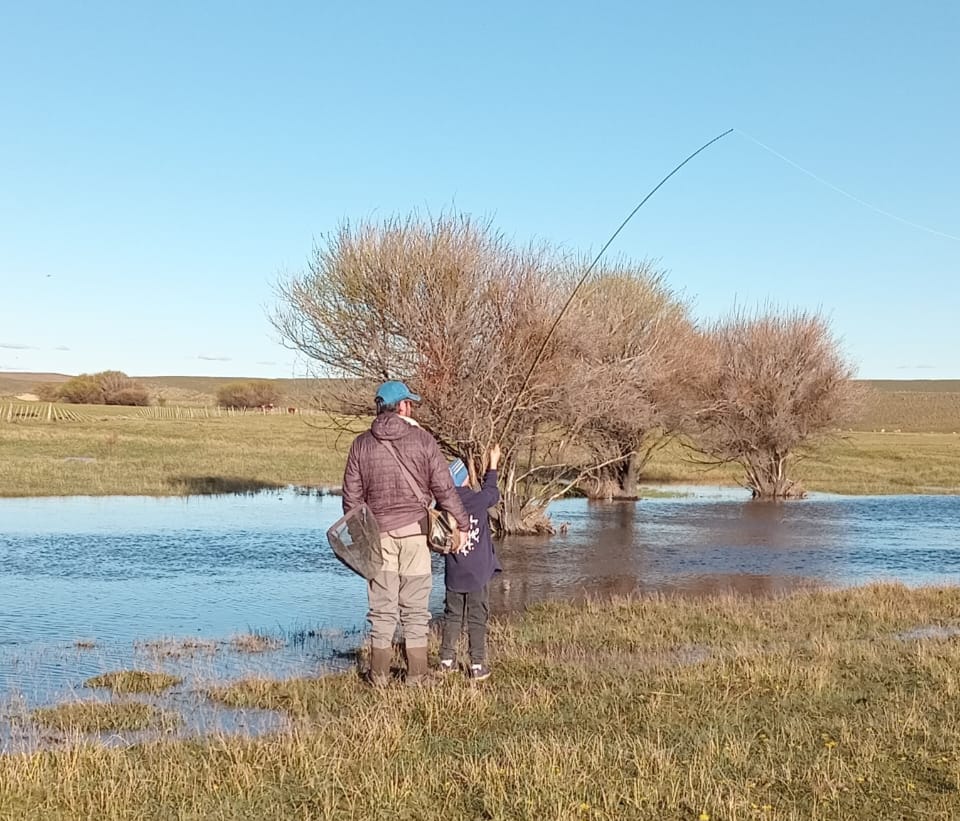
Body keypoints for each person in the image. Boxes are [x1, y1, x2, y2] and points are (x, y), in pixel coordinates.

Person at [341, 380, 470, 686]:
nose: (411, 407)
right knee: (415, 608)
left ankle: (379, 676)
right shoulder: (423, 440)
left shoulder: (361, 444)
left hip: (378, 536)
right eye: (409, 403)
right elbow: (445, 489)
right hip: (416, 534)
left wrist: (362, 538)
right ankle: (417, 675)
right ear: (401, 407)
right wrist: (462, 524)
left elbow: (351, 499)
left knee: (382, 609)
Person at [438, 444, 502, 681]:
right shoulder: (477, 500)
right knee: (477, 616)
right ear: (466, 479)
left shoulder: (442, 506)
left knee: (452, 615)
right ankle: (477, 665)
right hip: (478, 573)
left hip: (454, 572)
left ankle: (446, 660)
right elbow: (492, 491)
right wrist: (493, 463)